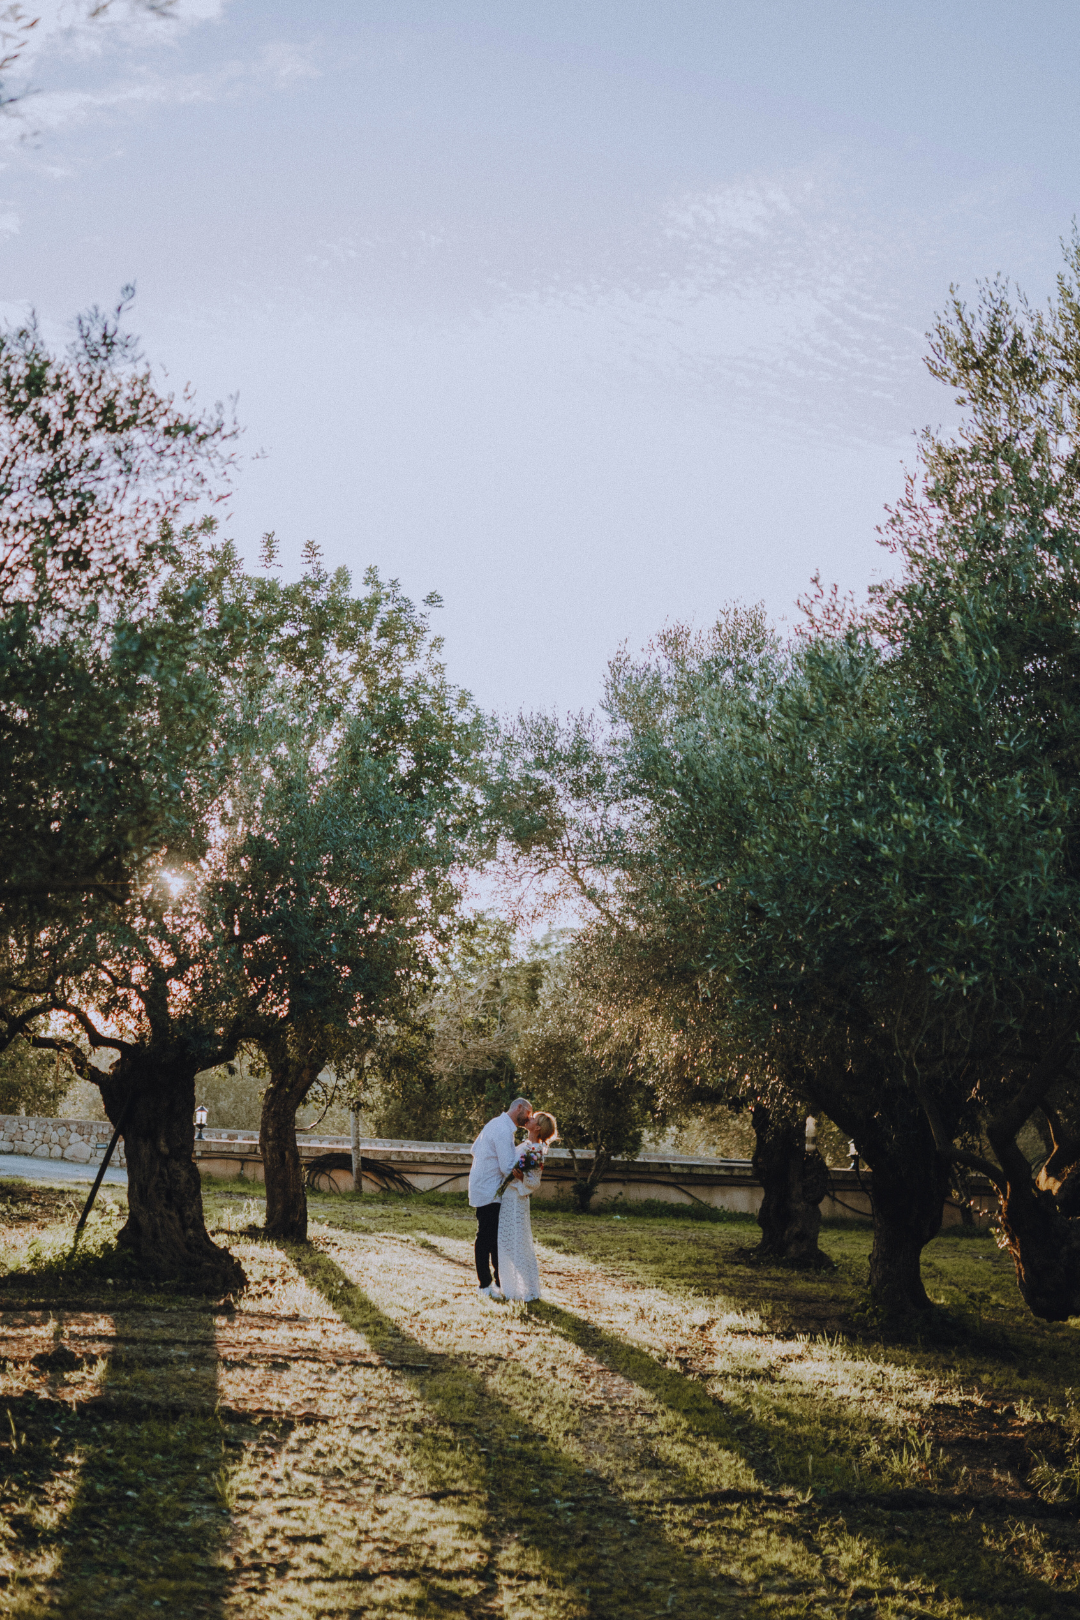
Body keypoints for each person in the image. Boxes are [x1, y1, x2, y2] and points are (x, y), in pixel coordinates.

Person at [468, 1095, 532, 1298]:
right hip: (489, 1189)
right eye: (528, 1114)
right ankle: (484, 1285)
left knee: (493, 1237)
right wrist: (524, 1159)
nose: (527, 1118)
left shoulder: (495, 1124)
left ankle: (497, 1283)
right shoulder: (503, 1130)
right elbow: (506, 1167)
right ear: (519, 1108)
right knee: (486, 1237)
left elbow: (474, 1149)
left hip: (484, 1186)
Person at [498, 1110, 559, 1302]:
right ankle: (509, 1284)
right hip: (507, 1197)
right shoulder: (525, 1145)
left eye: (533, 1119)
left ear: (538, 1127)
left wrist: (521, 1177)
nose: (529, 1119)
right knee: (506, 1242)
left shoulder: (536, 1151)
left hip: (517, 1199)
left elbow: (534, 1183)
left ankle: (523, 1288)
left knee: (516, 1242)